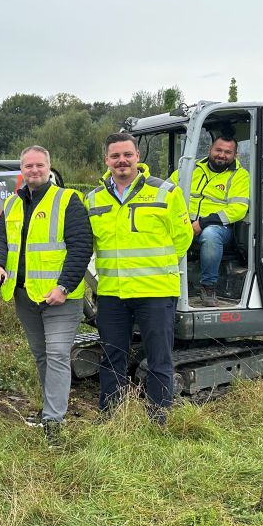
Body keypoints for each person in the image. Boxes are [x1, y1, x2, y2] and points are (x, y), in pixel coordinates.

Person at [0, 146, 92, 444]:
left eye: (39, 165)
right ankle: (50, 410)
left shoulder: (68, 200)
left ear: (49, 167)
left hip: (60, 297)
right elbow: (0, 240)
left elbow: (81, 246)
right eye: (28, 166)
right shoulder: (12, 204)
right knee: (42, 354)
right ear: (22, 169)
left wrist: (64, 286)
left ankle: (54, 421)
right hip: (25, 295)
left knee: (57, 354)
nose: (34, 170)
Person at [85, 132, 193, 424]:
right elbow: (87, 244)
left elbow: (182, 239)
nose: (122, 161)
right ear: (106, 160)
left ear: (137, 157)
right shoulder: (93, 199)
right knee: (112, 356)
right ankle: (112, 416)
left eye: (127, 155)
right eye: (115, 156)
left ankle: (158, 416)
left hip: (155, 291)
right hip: (112, 293)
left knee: (159, 358)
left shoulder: (165, 193)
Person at [168, 132, 250, 307]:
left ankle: (208, 287)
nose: (222, 155)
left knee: (211, 235)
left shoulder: (239, 175)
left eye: (228, 152)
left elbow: (238, 209)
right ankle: (170, 283)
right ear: (209, 149)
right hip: (185, 222)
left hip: (220, 227)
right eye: (218, 150)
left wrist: (202, 223)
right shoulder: (190, 169)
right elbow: (167, 190)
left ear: (235, 155)